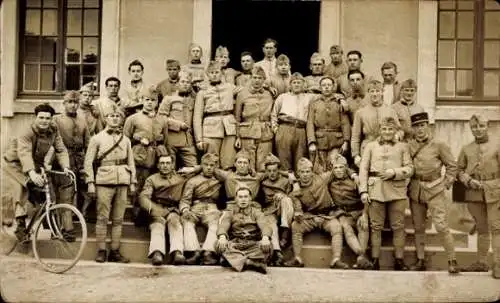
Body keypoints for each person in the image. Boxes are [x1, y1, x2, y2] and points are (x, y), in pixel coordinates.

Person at [2, 104, 71, 239]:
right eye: (41, 118)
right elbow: (24, 153)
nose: (44, 121)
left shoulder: (53, 129)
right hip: (15, 163)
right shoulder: (26, 131)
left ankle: (52, 227)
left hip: (36, 163)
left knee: (48, 191)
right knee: (23, 187)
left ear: (52, 119)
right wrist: (32, 173)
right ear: (35, 117)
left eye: (48, 118)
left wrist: (66, 167)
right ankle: (20, 225)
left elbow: (61, 149)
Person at [407, 112, 460, 274]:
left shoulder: (439, 144)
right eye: (416, 126)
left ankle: (452, 260)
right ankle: (421, 260)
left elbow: (452, 166)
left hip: (435, 188)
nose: (420, 129)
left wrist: (446, 182)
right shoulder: (409, 145)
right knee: (418, 227)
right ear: (412, 129)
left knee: (441, 225)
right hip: (416, 190)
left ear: (428, 126)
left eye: (422, 125)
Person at [358, 117, 413, 270]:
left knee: (398, 226)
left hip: (397, 190)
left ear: (395, 130)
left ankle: (399, 260)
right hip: (375, 190)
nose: (387, 132)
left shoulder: (403, 147)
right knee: (375, 226)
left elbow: (410, 169)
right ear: (380, 130)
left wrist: (394, 172)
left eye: (390, 129)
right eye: (384, 129)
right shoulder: (370, 146)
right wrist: (363, 190)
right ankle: (375, 260)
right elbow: (363, 169)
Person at [84, 106, 136, 263]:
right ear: (105, 119)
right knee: (102, 217)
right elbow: (88, 163)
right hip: (104, 182)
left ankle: (115, 250)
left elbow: (131, 162)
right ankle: (101, 250)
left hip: (122, 182)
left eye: (117, 116)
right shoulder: (96, 139)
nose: (114, 118)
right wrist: (90, 183)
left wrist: (132, 182)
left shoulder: (126, 140)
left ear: (121, 119)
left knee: (118, 219)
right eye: (110, 116)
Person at [456, 114, 500, 278]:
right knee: (482, 228)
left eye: (481, 126)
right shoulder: (466, 149)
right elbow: (459, 170)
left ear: (487, 126)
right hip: (474, 192)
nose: (478, 130)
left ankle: (498, 265)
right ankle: (482, 263)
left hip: (495, 191)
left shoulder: (497, 145)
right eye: (474, 127)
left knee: (496, 228)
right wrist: (467, 180)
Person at [284, 158, 348, 269]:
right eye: (302, 172)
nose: (305, 175)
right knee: (295, 226)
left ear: (311, 171)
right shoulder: (296, 189)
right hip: (310, 217)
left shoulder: (322, 178)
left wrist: (354, 175)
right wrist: (298, 214)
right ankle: (297, 258)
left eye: (308, 171)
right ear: (298, 173)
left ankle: (336, 259)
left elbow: (338, 169)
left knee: (337, 227)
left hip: (327, 215)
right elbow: (297, 205)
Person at [123, 88, 169, 225]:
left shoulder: (162, 120)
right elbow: (126, 139)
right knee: (140, 187)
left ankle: (153, 214)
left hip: (157, 158)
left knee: (156, 186)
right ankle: (138, 216)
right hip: (140, 158)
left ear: (158, 102)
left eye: (153, 100)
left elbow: (165, 140)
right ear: (142, 101)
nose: (149, 103)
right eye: (147, 100)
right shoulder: (133, 119)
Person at [139, 154, 187, 266]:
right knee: (157, 225)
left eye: (168, 163)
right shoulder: (152, 179)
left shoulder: (180, 179)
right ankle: (157, 253)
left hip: (173, 209)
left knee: (175, 223)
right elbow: (144, 197)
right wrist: (155, 210)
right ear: (158, 166)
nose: (165, 166)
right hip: (157, 209)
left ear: (172, 165)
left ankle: (177, 252)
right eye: (162, 163)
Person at [193, 61, 240, 170]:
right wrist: (199, 139)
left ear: (221, 73)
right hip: (210, 130)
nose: (214, 74)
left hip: (229, 129)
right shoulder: (202, 92)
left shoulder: (230, 87)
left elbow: (246, 90)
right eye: (211, 72)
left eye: (217, 72)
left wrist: (267, 86)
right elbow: (197, 116)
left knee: (228, 162)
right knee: (211, 162)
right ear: (207, 75)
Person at [216, 185, 272, 274]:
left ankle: (233, 261)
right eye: (240, 197)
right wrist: (222, 237)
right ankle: (250, 263)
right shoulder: (230, 213)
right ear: (236, 199)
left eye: (246, 197)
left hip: (252, 244)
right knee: (219, 245)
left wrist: (265, 238)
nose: (243, 199)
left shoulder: (257, 213)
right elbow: (223, 225)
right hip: (236, 244)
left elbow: (264, 225)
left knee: (267, 247)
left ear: (250, 198)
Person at [328, 154, 372, 269]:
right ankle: (361, 255)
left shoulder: (355, 181)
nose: (338, 170)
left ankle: (360, 259)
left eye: (341, 167)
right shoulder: (329, 181)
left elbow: (365, 199)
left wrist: (364, 214)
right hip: (343, 214)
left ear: (346, 167)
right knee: (346, 228)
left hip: (358, 211)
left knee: (363, 225)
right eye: (335, 168)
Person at [53, 91, 91, 220]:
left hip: (79, 159)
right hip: (63, 160)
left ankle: (80, 218)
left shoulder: (82, 120)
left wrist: (87, 161)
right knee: (63, 194)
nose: (73, 105)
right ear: (64, 103)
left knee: (83, 191)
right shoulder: (56, 120)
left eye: (75, 102)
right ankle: (60, 225)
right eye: (70, 102)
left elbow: (88, 143)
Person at [179, 153, 222, 265]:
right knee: (187, 221)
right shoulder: (193, 181)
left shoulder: (219, 180)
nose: (208, 167)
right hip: (196, 207)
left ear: (215, 167)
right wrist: (185, 209)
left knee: (215, 223)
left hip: (212, 208)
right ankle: (194, 252)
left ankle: (208, 252)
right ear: (201, 165)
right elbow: (185, 200)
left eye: (211, 165)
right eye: (206, 165)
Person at [271, 72, 318, 172]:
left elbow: (326, 95)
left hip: (301, 130)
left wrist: (340, 98)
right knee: (284, 160)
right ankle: (286, 184)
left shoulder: (310, 97)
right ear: (290, 85)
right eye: (294, 82)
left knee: (300, 160)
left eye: (299, 82)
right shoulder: (282, 97)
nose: (296, 84)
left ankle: (299, 185)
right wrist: (276, 130)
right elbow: (274, 114)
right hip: (285, 128)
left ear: (303, 84)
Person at [351, 80, 401, 168]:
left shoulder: (390, 111)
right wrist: (356, 155)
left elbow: (399, 130)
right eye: (372, 91)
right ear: (368, 93)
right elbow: (355, 136)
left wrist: (396, 135)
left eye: (378, 91)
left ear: (382, 92)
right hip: (367, 148)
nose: (375, 94)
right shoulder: (361, 112)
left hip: (387, 147)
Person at [234, 66, 275, 172]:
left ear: (264, 80)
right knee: (248, 164)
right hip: (247, 133)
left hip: (265, 133)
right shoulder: (242, 94)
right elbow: (237, 118)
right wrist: (237, 136)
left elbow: (273, 114)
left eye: (260, 78)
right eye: (255, 77)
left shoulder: (269, 94)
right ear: (251, 78)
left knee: (264, 165)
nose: (257, 80)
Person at [307, 76, 350, 173]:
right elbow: (310, 123)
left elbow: (345, 123)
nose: (326, 87)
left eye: (329, 85)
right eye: (324, 85)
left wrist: (346, 141)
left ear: (333, 87)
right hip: (319, 141)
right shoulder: (314, 103)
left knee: (334, 166)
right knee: (320, 169)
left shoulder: (339, 102)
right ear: (320, 87)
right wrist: (311, 142)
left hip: (336, 141)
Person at [259, 153, 295, 265]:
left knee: (286, 200)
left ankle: (285, 234)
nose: (272, 173)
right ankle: (277, 252)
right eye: (269, 171)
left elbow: (295, 194)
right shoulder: (263, 181)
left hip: (284, 210)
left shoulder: (285, 181)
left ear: (279, 170)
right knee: (271, 224)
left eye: (274, 170)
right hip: (270, 210)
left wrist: (284, 195)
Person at [158, 71, 198, 168]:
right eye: (183, 82)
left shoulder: (194, 101)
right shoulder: (169, 99)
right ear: (178, 83)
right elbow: (160, 118)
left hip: (188, 141)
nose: (185, 84)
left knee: (193, 167)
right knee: (169, 169)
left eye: (188, 82)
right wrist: (178, 125)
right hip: (172, 140)